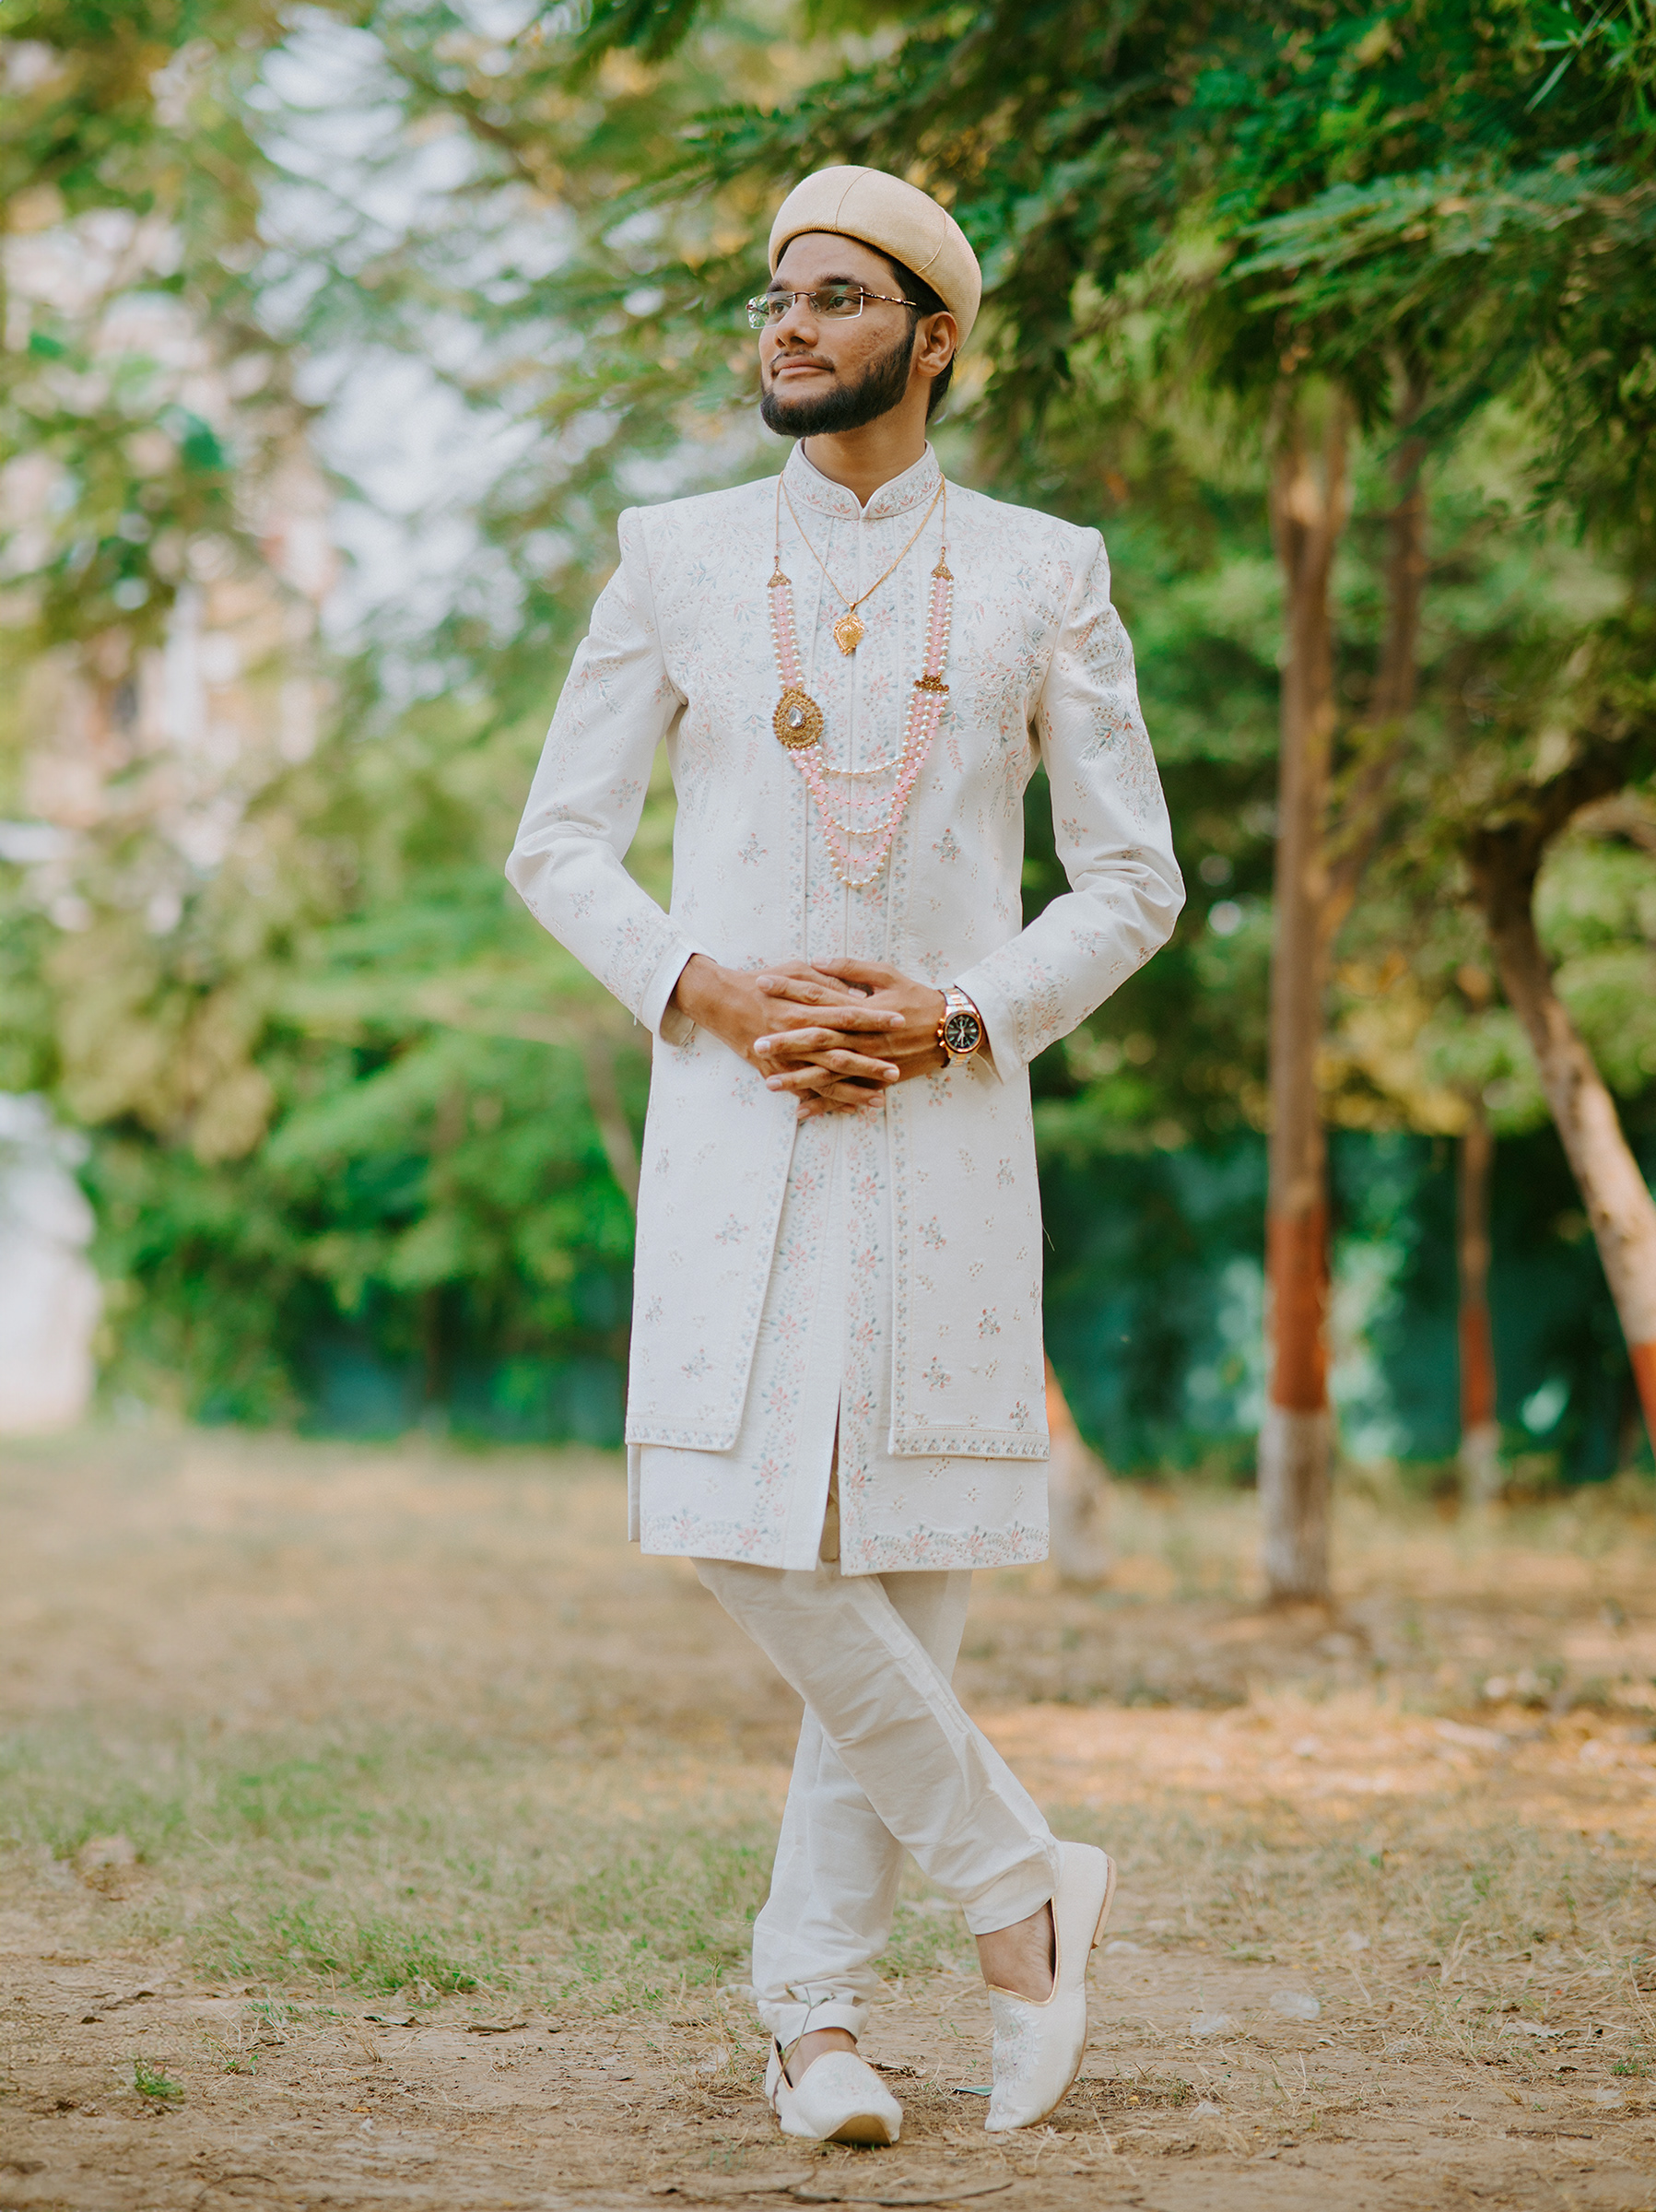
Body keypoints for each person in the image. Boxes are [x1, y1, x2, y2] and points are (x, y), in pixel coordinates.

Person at [507, 163, 1183, 2147]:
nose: (788, 328)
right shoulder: (677, 556)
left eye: (832, 298)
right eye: (775, 299)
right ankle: (1019, 1884)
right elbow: (559, 842)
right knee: (729, 1518)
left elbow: (1133, 881)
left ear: (930, 338)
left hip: (947, 1132)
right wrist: (710, 990)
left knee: (904, 1576)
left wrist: (957, 1013)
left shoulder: (1048, 574)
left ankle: (811, 2024)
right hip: (735, 1124)